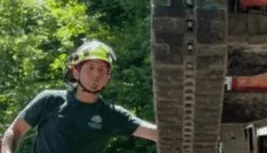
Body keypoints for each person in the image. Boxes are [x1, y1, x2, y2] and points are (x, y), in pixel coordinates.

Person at [0, 40, 157, 153]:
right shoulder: (50, 101)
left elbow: (158, 133)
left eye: (102, 69)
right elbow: (15, 131)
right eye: (90, 68)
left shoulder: (112, 114)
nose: (96, 74)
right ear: (76, 71)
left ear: (108, 76)